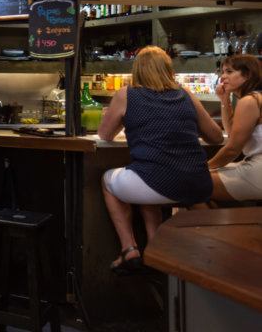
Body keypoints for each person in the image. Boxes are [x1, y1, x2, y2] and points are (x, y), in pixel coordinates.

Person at [97, 46, 223, 273]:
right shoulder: (186, 94)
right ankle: (156, 250)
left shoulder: (126, 94)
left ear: (137, 69)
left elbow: (104, 135)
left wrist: (123, 119)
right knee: (145, 178)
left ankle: (129, 249)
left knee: (108, 180)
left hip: (156, 181)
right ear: (168, 69)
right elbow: (215, 137)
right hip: (198, 184)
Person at [206, 54, 262, 202]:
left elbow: (232, 149)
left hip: (259, 169)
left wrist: (205, 167)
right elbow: (231, 132)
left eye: (229, 72)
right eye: (223, 71)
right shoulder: (255, 97)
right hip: (255, 164)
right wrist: (224, 100)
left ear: (248, 74)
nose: (223, 77)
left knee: (191, 183)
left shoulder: (250, 101)